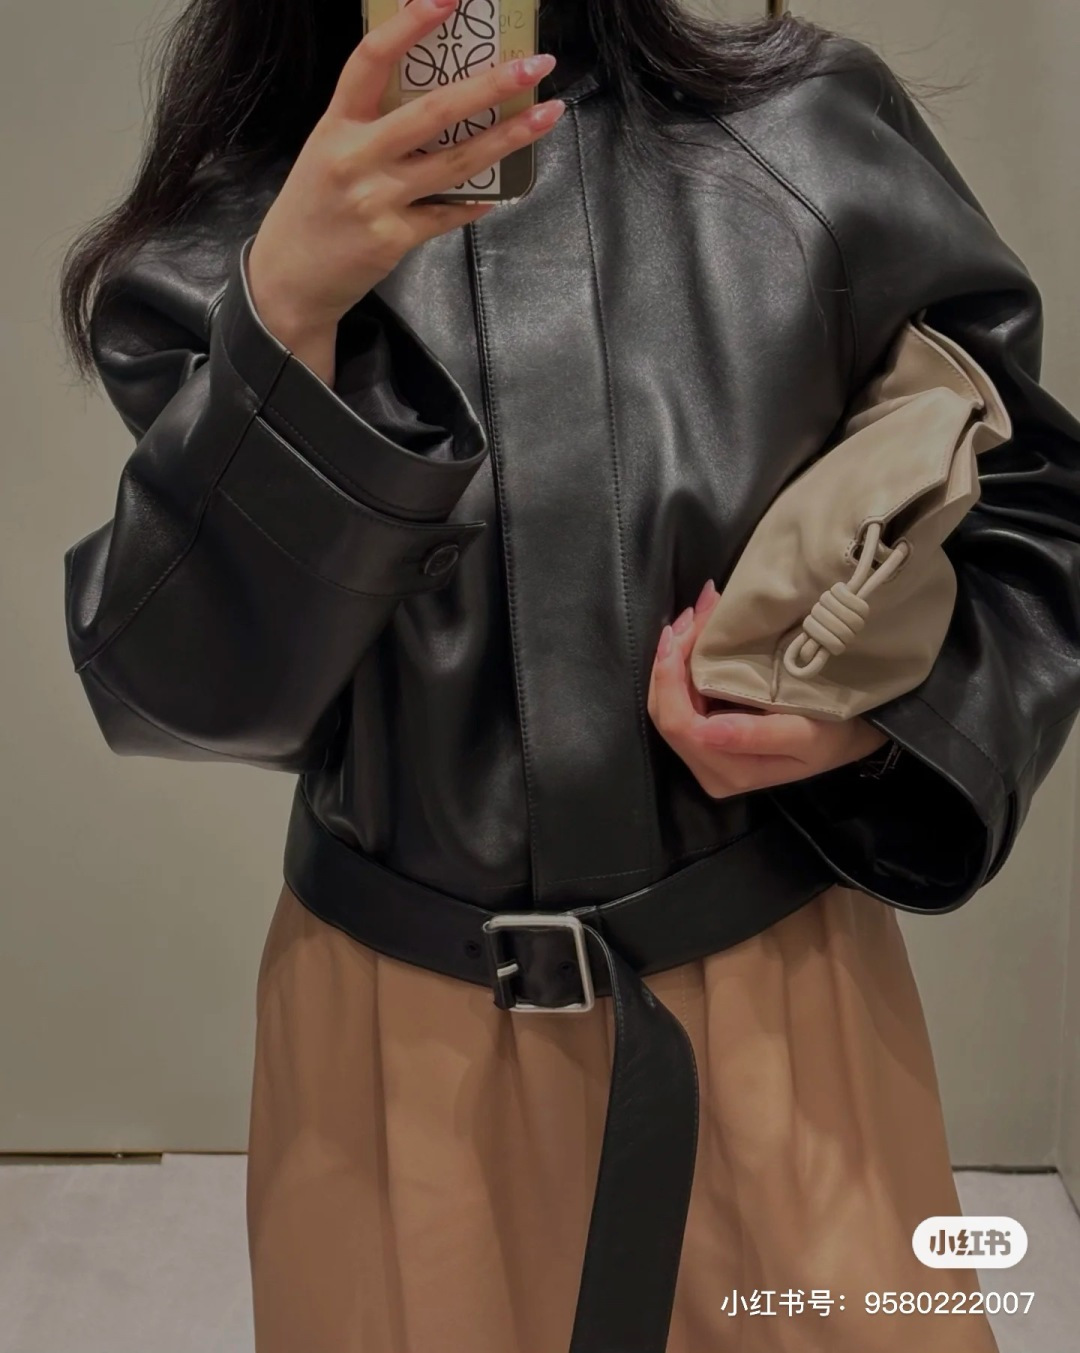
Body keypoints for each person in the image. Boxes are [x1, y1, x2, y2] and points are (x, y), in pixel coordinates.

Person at [58, 0, 1080, 1350]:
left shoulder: (808, 132)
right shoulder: (238, 227)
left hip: (778, 1010)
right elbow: (195, 692)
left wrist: (879, 721)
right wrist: (286, 309)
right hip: (392, 1055)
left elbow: (1029, 511)